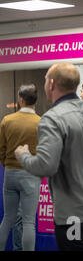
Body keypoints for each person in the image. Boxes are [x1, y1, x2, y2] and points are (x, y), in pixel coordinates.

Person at [14, 63, 83, 251]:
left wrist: (23, 155)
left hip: (76, 215)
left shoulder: (52, 118)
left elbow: (45, 167)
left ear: (51, 84)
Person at [0, 84, 41, 251]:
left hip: (10, 174)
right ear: (35, 100)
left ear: (20, 99)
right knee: (29, 221)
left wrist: (8, 164)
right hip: (31, 174)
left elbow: (0, 149)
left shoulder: (7, 121)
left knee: (7, 218)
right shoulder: (41, 122)